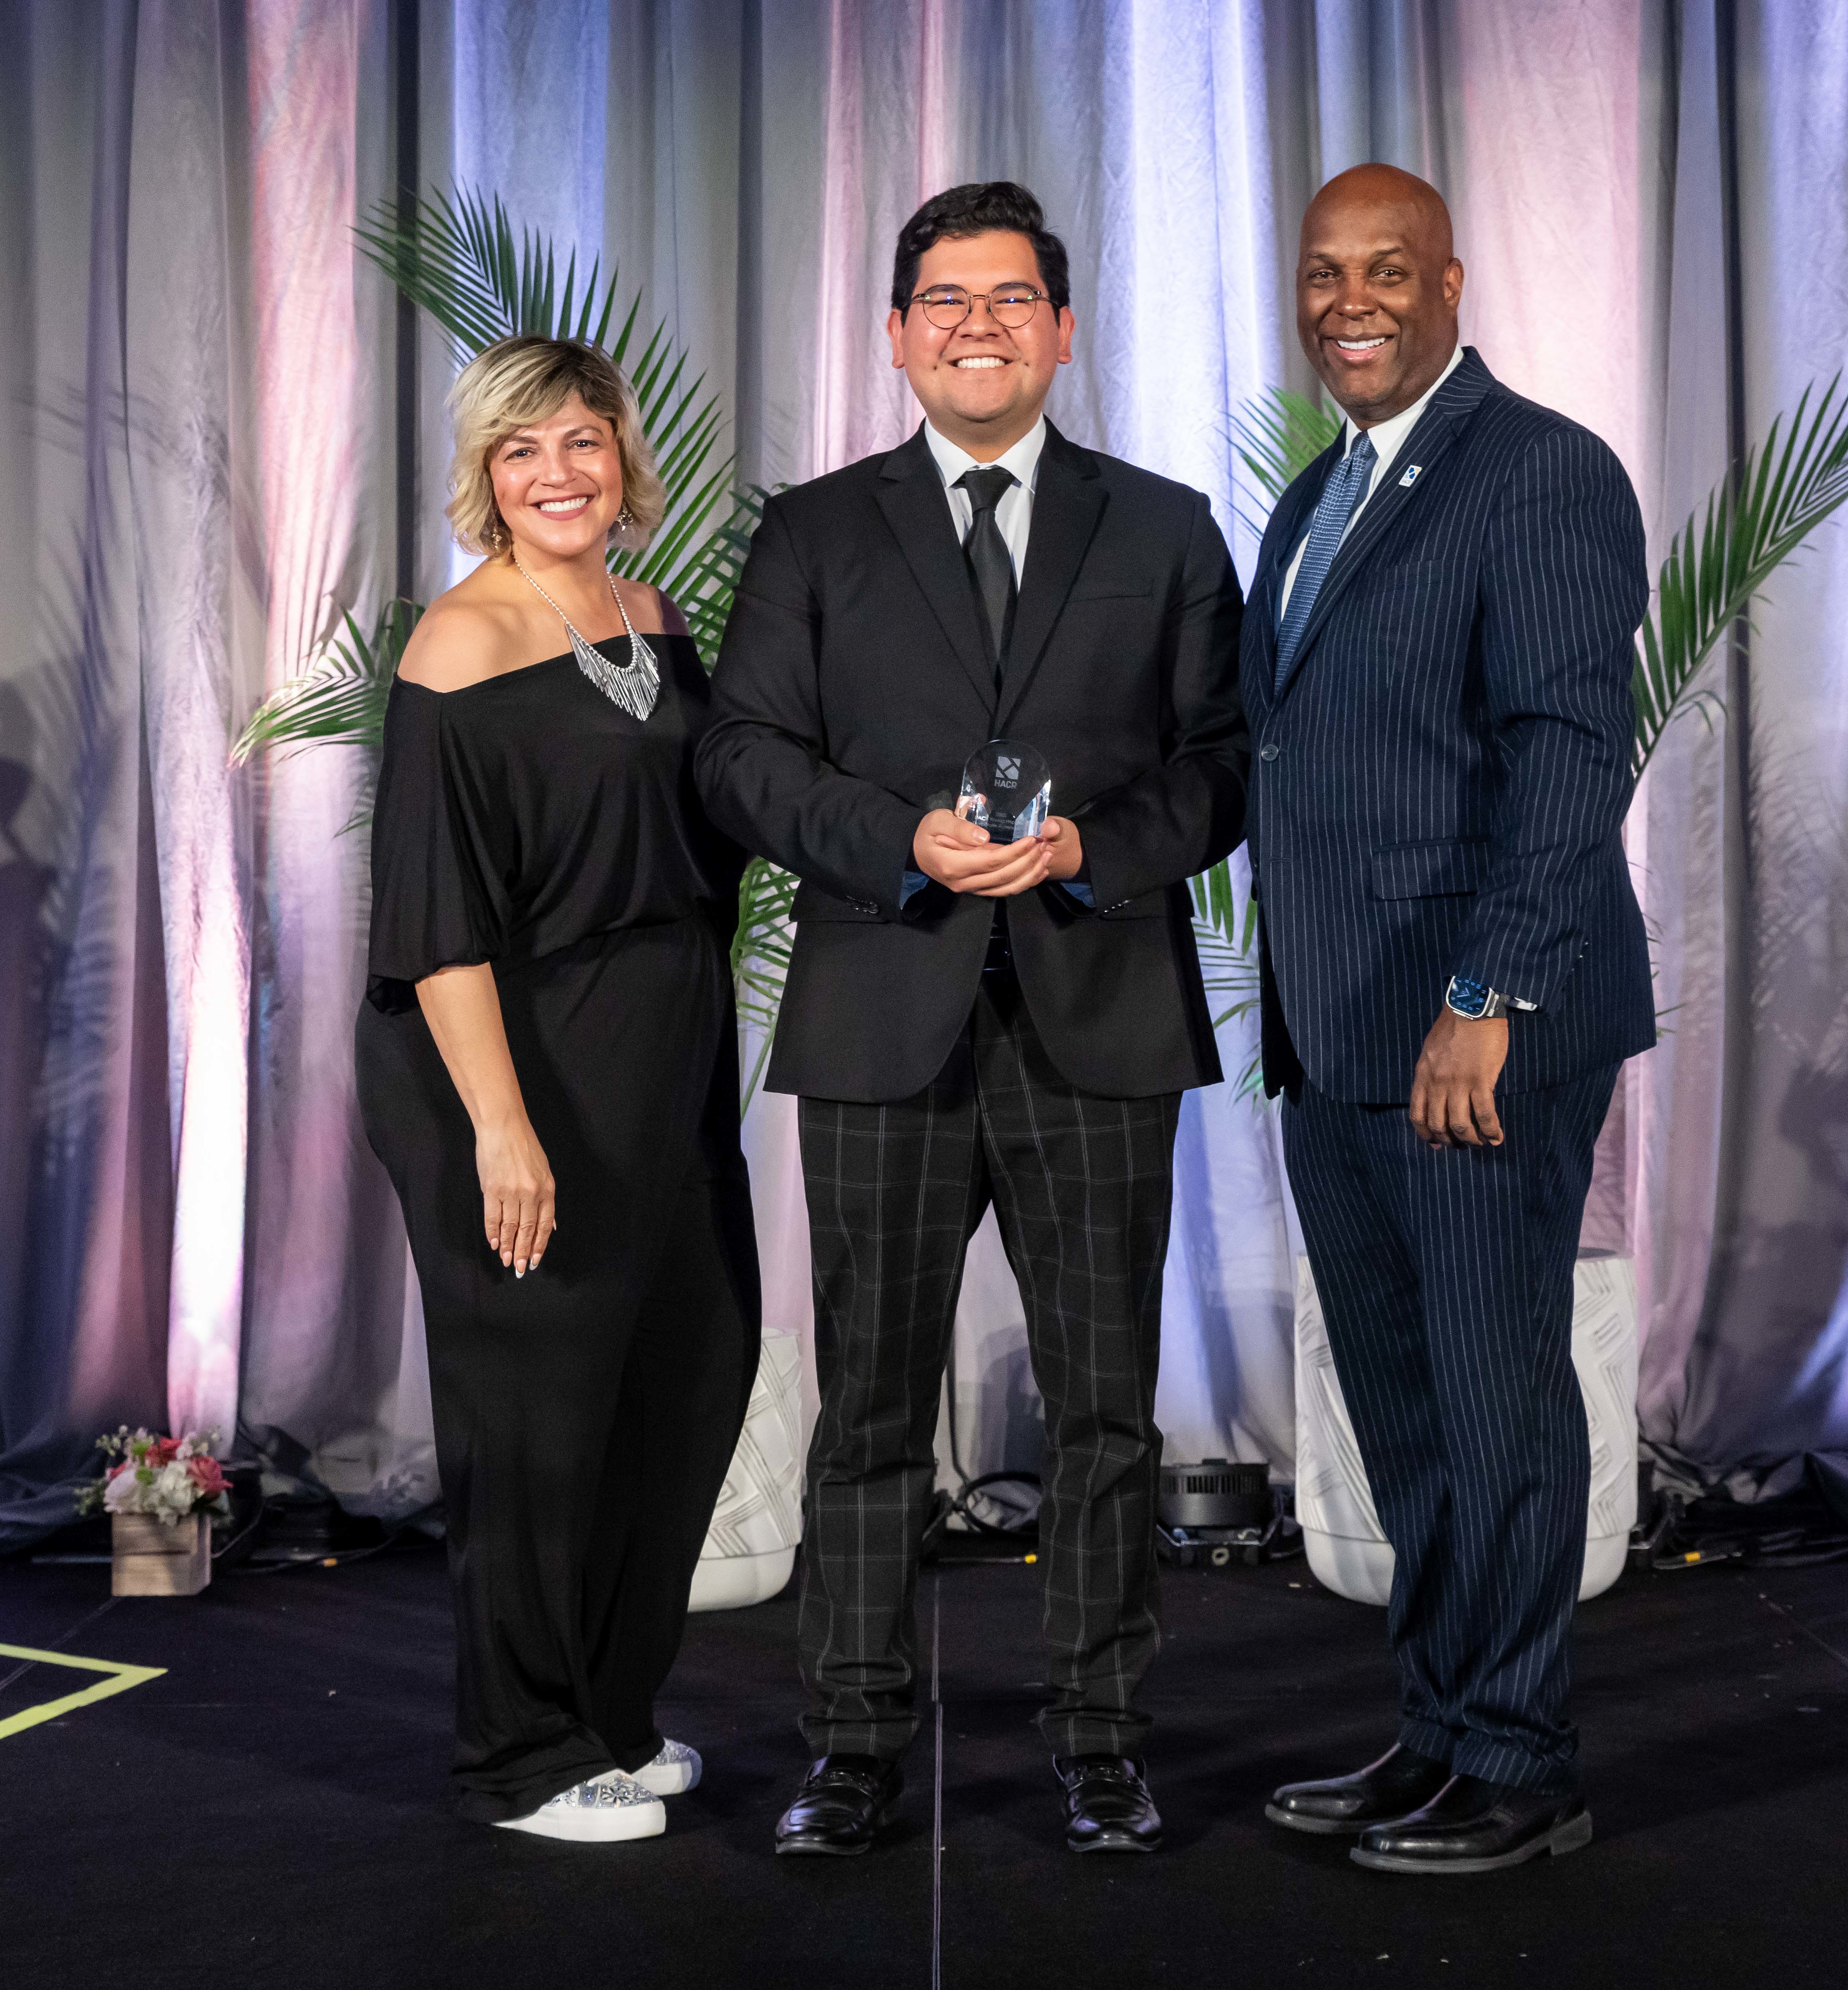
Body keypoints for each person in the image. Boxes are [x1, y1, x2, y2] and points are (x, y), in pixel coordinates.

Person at [697, 181, 1245, 1858]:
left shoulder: (1160, 530)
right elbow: (742, 755)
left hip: (1100, 1018)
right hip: (883, 1015)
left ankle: (1098, 1735)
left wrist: (1093, 848)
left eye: (1012, 298)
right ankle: (855, 1740)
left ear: (1065, 329)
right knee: (868, 1408)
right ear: (895, 332)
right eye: (945, 299)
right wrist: (897, 841)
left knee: (1102, 1413)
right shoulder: (813, 533)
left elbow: (1221, 764)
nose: (979, 324)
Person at [1244, 165, 1655, 1874]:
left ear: (1453, 282)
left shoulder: (1541, 472)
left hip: (1474, 1033)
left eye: (1389, 270)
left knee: (1495, 1401)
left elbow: (1570, 754)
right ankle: (1439, 1725)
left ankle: (1523, 1758)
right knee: (1407, 1407)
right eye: (1329, 272)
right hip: (1336, 1031)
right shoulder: (1314, 499)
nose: (1355, 300)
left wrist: (1490, 992)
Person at [355, 335, 760, 1844]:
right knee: (533, 1413)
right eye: (523, 451)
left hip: (657, 1048)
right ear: (484, 476)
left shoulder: (647, 614)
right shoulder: (458, 646)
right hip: (508, 1057)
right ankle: (517, 1757)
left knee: (685, 1372)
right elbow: (436, 913)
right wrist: (502, 1126)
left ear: (620, 455)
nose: (558, 474)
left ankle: (608, 1715)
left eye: (581, 442)